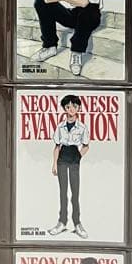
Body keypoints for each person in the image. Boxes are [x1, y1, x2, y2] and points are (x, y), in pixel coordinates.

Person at [48, 95, 89, 238]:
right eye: (68, 106)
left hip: (74, 159)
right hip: (62, 159)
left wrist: (78, 157)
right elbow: (57, 146)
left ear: (79, 108)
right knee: (63, 192)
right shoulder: (60, 127)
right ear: (64, 108)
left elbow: (86, 146)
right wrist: (54, 163)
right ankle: (62, 222)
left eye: (74, 106)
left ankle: (77, 223)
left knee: (75, 193)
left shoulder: (82, 127)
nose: (71, 109)